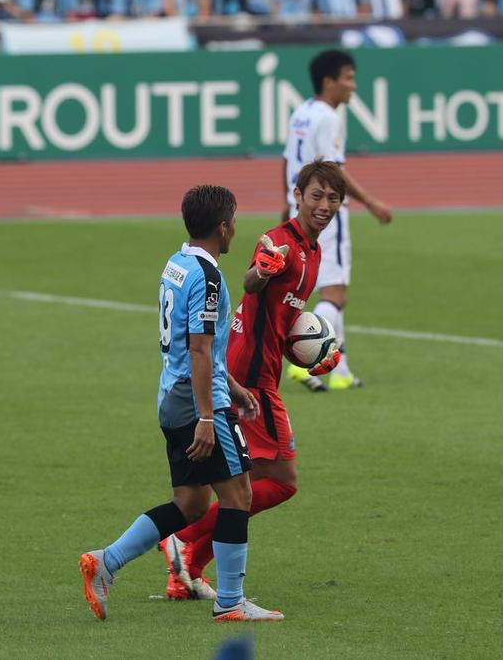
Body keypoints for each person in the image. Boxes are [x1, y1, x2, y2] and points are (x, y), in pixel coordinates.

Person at [80, 185, 284, 623]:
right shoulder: (209, 277)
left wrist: (232, 386)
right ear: (223, 227)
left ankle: (106, 562)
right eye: (234, 220)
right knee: (239, 494)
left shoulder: (177, 263)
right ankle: (231, 602)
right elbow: (198, 348)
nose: (236, 228)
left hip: (172, 398)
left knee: (190, 504)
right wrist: (209, 416)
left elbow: (193, 347)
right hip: (198, 404)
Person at [160, 161, 345, 602]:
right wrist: (261, 271)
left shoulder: (314, 251)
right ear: (297, 196)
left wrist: (310, 353)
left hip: (260, 368)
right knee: (281, 480)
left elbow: (279, 318)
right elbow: (251, 283)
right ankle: (185, 541)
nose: (324, 205)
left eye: (333, 198)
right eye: (315, 195)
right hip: (251, 375)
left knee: (245, 483)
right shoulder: (279, 242)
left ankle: (187, 568)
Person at [281, 49, 393, 392]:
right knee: (336, 294)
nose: (353, 86)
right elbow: (333, 171)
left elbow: (286, 160)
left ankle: (340, 370)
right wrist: (371, 203)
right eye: (348, 78)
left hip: (300, 208)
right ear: (329, 82)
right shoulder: (329, 118)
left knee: (320, 288)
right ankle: (301, 360)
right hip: (327, 212)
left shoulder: (301, 112)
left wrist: (287, 203)